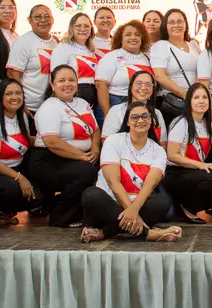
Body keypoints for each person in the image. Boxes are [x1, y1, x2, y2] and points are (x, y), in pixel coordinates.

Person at [80, 101, 181, 243]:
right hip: (109, 204)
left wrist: (133, 210)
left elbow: (149, 186)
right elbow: (113, 182)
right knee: (91, 195)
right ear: (127, 122)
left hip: (137, 205)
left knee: (163, 202)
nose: (140, 120)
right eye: (135, 117)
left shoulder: (158, 151)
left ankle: (104, 233)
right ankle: (149, 234)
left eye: (145, 116)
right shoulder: (113, 141)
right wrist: (133, 212)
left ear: (151, 120)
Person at [30, 65, 99, 227]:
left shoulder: (82, 103)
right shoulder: (49, 107)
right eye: (61, 81)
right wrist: (82, 156)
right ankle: (60, 217)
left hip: (80, 158)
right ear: (53, 85)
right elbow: (52, 142)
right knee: (86, 172)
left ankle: (71, 210)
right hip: (49, 160)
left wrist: (95, 150)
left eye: (71, 80)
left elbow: (95, 130)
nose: (67, 84)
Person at [164, 83, 212, 224]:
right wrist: (201, 165)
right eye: (196, 98)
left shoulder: (207, 124)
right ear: (189, 101)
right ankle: (188, 208)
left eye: (204, 97)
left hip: (195, 172)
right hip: (176, 173)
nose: (201, 101)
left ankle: (187, 203)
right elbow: (172, 155)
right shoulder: (181, 123)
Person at [0, 78, 41, 223]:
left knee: (38, 196)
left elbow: (25, 141)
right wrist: (19, 178)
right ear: (0, 97)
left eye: (18, 93)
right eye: (9, 94)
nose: (14, 97)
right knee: (13, 189)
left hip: (16, 165)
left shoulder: (21, 115)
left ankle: (7, 209)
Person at [151, 8, 200, 126]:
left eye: (179, 21)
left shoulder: (193, 45)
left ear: (185, 24)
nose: (176, 25)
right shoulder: (161, 46)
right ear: (165, 26)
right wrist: (184, 94)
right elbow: (160, 76)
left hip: (196, 101)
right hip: (173, 104)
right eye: (171, 22)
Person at [7, 5, 58, 115]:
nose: (43, 20)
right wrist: (22, 104)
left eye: (47, 17)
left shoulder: (56, 42)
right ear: (29, 20)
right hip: (29, 107)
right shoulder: (23, 42)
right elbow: (12, 74)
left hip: (50, 106)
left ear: (52, 20)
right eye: (38, 17)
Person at [50, 13, 101, 123]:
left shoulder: (90, 50)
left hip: (92, 98)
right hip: (73, 97)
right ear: (71, 28)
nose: (83, 29)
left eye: (86, 26)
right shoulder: (63, 48)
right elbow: (56, 78)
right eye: (78, 26)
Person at [95, 19, 152, 118]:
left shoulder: (147, 59)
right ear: (121, 39)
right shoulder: (111, 57)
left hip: (143, 106)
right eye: (128, 35)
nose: (133, 37)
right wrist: (108, 114)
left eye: (137, 35)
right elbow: (101, 85)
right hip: (116, 104)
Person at [102, 70, 167, 146]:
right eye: (139, 84)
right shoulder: (116, 111)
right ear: (131, 87)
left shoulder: (157, 113)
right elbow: (107, 143)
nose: (143, 88)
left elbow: (162, 144)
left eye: (148, 84)